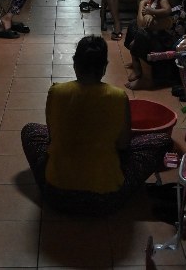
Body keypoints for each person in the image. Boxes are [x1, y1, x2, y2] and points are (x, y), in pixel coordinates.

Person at [20, 35, 173, 216]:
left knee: (30, 130)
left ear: (75, 64)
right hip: (106, 200)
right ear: (104, 67)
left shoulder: (56, 92)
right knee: (162, 140)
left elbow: (52, 137)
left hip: (57, 195)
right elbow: (123, 145)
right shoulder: (118, 97)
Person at [124, 0, 186, 90]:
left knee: (141, 34)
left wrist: (142, 5)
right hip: (162, 39)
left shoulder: (175, 14)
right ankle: (137, 63)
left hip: (171, 51)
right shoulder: (161, 4)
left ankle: (147, 79)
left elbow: (142, 25)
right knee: (133, 24)